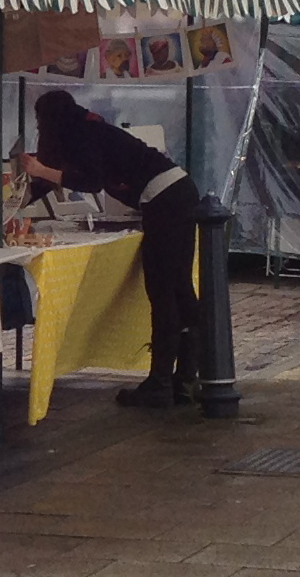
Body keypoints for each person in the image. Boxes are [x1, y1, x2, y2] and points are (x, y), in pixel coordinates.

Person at [17, 90, 198, 404]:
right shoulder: (86, 129)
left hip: (164, 199)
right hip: (178, 190)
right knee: (179, 290)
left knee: (165, 293)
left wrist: (39, 170)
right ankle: (186, 378)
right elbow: (51, 183)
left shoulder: (86, 134)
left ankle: (161, 384)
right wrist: (12, 206)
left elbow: (89, 181)